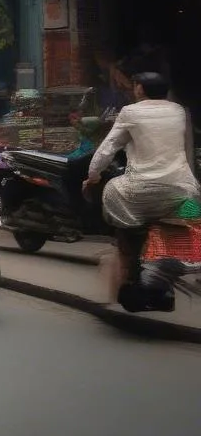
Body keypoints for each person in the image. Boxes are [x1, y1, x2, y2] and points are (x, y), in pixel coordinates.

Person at [84, 71, 200, 285]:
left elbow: (107, 149)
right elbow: (188, 150)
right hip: (184, 192)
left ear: (140, 89)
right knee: (193, 219)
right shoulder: (180, 111)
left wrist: (93, 176)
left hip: (139, 192)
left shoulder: (129, 112)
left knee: (111, 192)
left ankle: (128, 245)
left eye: (134, 85)